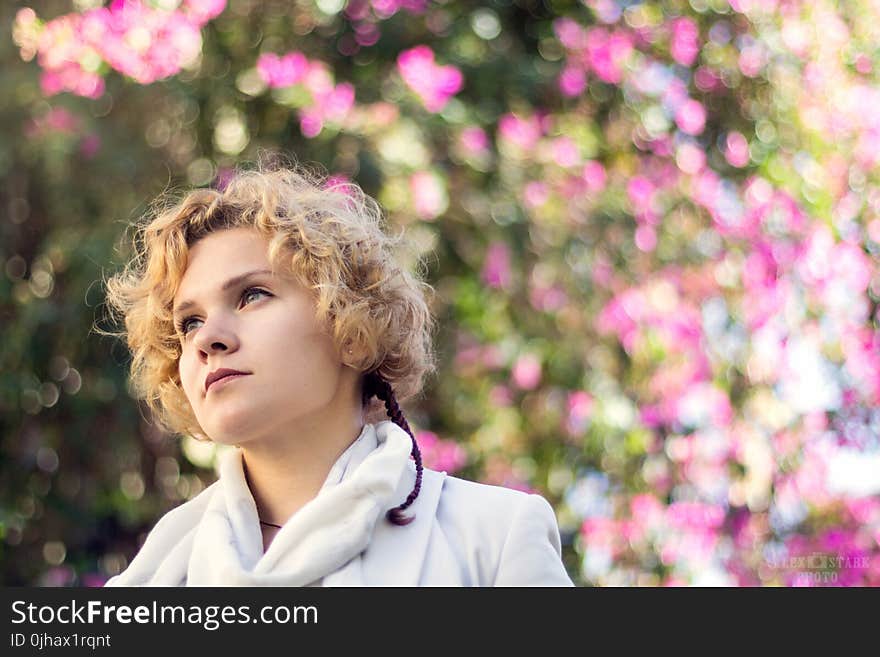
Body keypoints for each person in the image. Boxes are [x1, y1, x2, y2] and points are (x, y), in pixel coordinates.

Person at [102, 162, 573, 586]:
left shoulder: (494, 540)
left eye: (251, 295)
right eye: (190, 323)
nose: (207, 340)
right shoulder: (152, 582)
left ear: (350, 324)